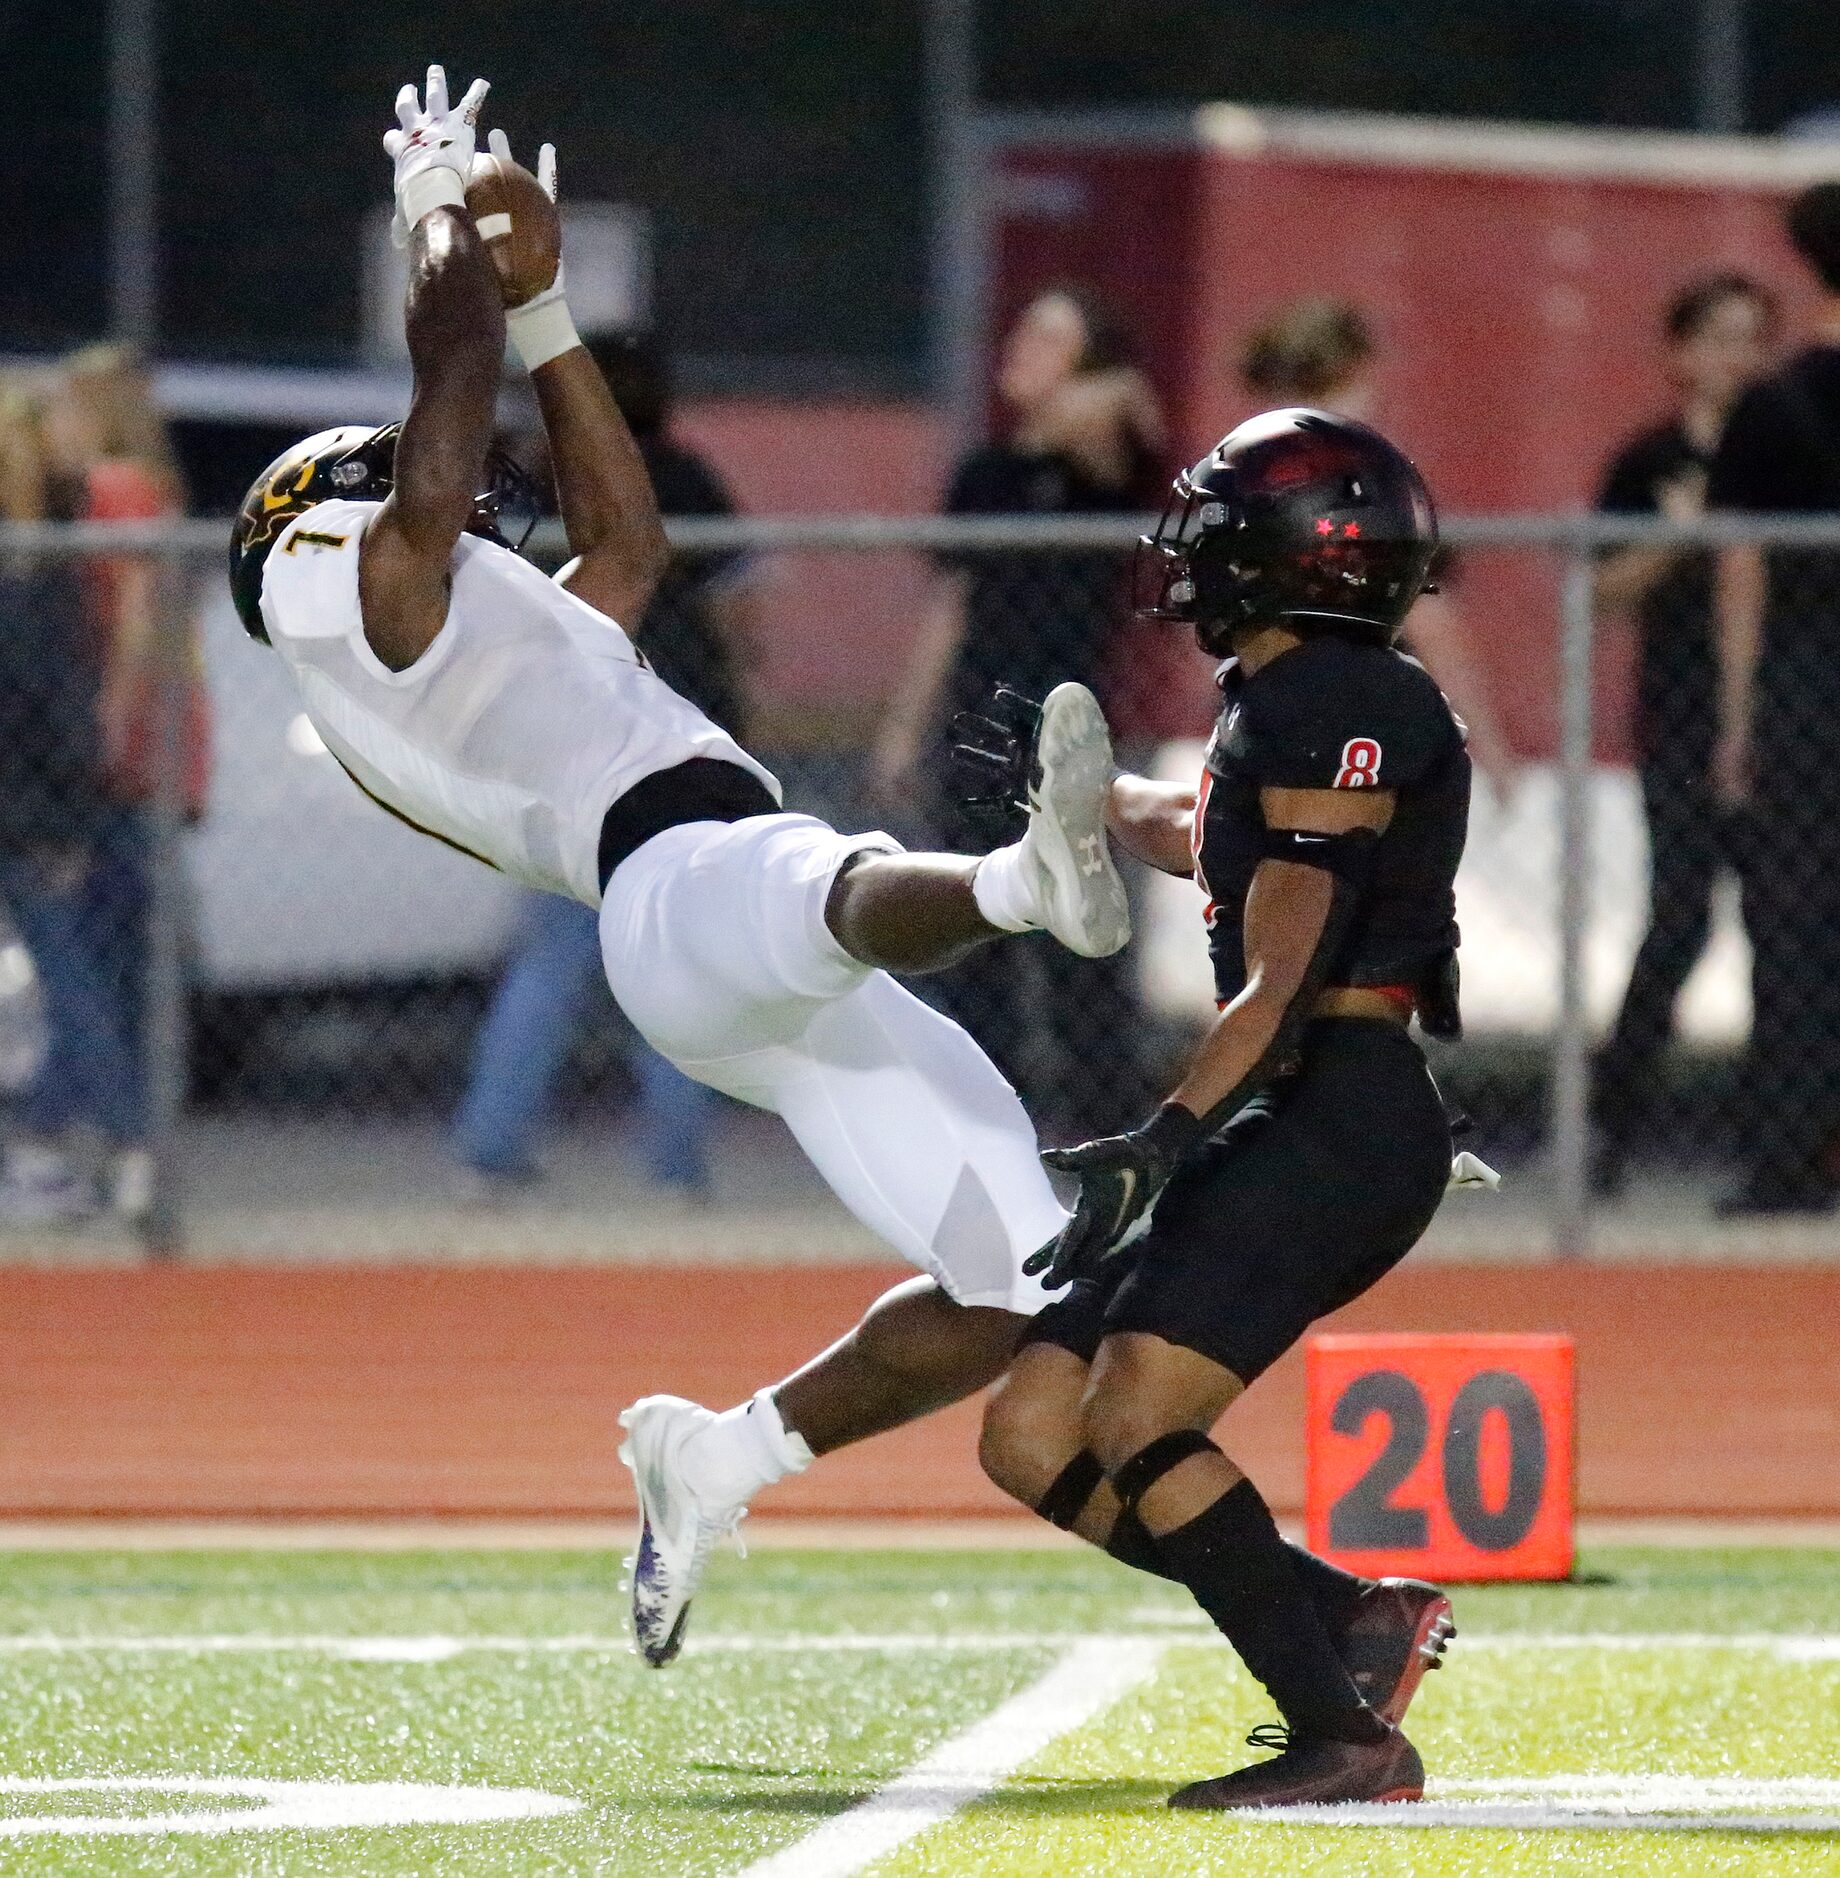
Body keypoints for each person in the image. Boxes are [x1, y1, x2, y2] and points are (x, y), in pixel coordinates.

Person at [230, 71, 1130, 1673]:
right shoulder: (342, 594)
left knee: (1025, 1277)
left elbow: (631, 548)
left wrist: (555, 311)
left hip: (722, 945)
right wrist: (436, 218)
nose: (457, 491)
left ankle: (720, 1457)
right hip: (674, 886)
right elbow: (435, 456)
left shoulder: (468, 634)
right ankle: (1018, 886)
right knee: (804, 872)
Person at [967, 409, 1472, 1809]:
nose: (1192, 554)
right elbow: (1214, 830)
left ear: (1289, 555)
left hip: (1337, 1106)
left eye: (1221, 528)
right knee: (1033, 1435)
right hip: (1296, 1102)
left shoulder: (1334, 697)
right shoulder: (1290, 697)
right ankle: (1353, 1618)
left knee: (1138, 1409)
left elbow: (1287, 970)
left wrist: (1164, 1137)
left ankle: (1348, 1734)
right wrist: (1086, 795)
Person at [450, 332, 763, 1199]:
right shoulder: (679, 477)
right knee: (678, 955)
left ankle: (491, 1148)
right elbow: (739, 609)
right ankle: (675, 1166)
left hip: (555, 747)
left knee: (551, 956)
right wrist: (746, 691)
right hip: (672, 744)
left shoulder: (525, 482)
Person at [869, 287, 1165, 1135]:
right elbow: (952, 608)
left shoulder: (1102, 468)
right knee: (974, 918)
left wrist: (1087, 382)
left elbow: (1130, 414)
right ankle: (983, 1113)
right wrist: (903, 725)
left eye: (1050, 338)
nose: (1023, 349)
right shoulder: (986, 473)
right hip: (981, 724)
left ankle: (1104, 1125)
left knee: (1083, 929)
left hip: (1072, 729)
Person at [1588, 276, 1778, 1195]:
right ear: (1678, 355)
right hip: (1681, 716)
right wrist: (1680, 539)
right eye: (1716, 339)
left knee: (1788, 929)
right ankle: (1607, 1130)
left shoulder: (1791, 452)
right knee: (1680, 920)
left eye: (1750, 341)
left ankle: (1779, 1140)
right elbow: (1598, 591)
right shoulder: (1648, 460)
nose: (1733, 360)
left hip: (1788, 726)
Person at [39, 345, 204, 1226]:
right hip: (147, 753)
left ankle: (79, 1134)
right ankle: (97, 1135)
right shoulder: (152, 486)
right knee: (116, 948)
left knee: (90, 951)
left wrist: (106, 726)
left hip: (116, 756)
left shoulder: (112, 490)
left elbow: (137, 624)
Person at [1708, 182, 1840, 1216]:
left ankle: (1786, 1158)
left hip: (1804, 683)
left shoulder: (1770, 404)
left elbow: (1740, 566)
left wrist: (1740, 717)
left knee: (1789, 928)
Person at [1239, 296, 1515, 791]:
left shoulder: (1252, 484)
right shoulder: (1364, 484)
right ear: (1354, 374)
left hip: (1270, 708)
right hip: (1366, 716)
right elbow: (1426, 619)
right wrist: (1487, 746)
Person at [0, 384, 146, 1223]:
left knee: (71, 977)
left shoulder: (46, 569)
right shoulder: (45, 567)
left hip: (30, 810)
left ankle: (119, 1143)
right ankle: (109, 1144)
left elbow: (62, 707)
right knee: (71, 978)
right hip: (37, 804)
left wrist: (67, 808)